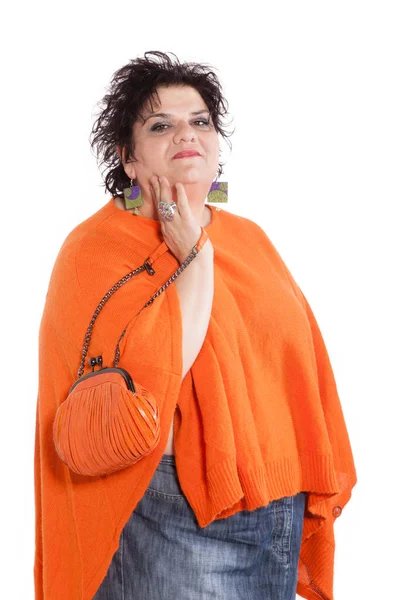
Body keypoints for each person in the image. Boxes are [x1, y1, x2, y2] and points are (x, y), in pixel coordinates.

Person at [34, 51, 357, 600]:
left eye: (201, 121)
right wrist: (195, 259)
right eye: (162, 124)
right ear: (128, 159)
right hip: (177, 512)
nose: (188, 133)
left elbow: (299, 368)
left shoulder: (249, 238)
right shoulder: (97, 249)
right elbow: (154, 380)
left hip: (276, 504)